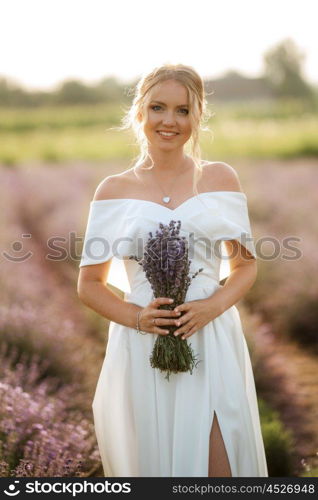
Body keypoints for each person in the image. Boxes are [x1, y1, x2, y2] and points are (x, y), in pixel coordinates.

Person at [77, 63, 268, 477]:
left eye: (183, 110)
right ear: (139, 112)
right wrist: (140, 318)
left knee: (222, 468)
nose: (170, 120)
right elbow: (90, 285)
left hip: (212, 339)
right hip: (142, 348)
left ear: (198, 116)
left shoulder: (221, 179)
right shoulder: (112, 190)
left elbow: (245, 266)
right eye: (159, 107)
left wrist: (210, 308)